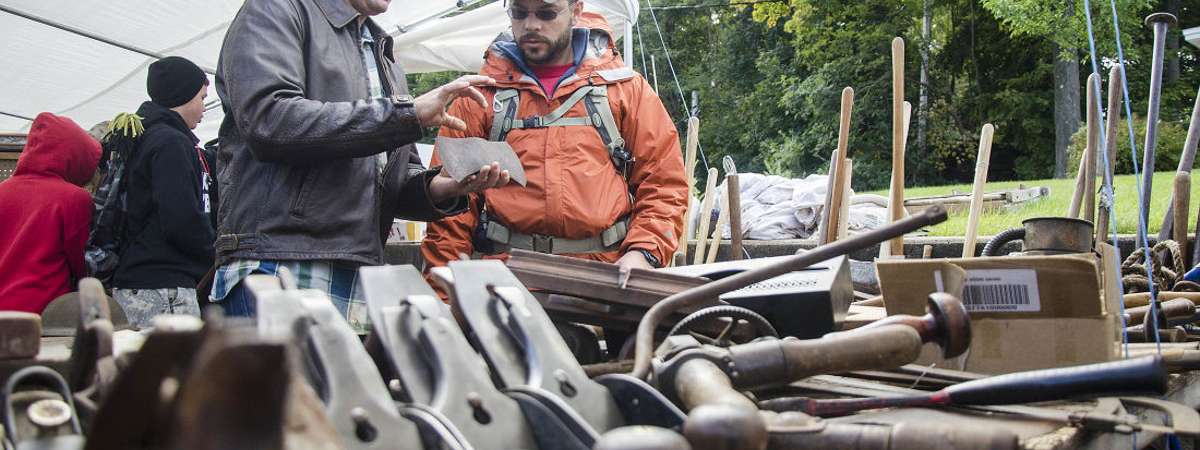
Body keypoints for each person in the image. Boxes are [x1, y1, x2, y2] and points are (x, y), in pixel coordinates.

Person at [211, 0, 509, 332]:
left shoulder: (381, 50)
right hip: (279, 263)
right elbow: (268, 120)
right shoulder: (277, 9)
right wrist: (407, 114)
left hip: (359, 271)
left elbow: (390, 175)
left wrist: (441, 187)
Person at [421, 1, 688, 274]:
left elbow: (663, 184)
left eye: (547, 13)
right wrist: (445, 292)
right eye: (519, 13)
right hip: (507, 279)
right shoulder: (480, 96)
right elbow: (449, 210)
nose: (531, 25)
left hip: (604, 279)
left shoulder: (624, 89)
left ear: (576, 11)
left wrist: (643, 253)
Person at [110, 56, 215, 328]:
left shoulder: (148, 137)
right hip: (161, 286)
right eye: (202, 98)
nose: (204, 108)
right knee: (170, 369)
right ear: (184, 96)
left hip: (143, 281)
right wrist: (214, 251)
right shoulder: (171, 144)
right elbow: (181, 218)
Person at [0, 113, 101, 313]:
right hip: (45, 313)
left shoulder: (2, 190)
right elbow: (83, 264)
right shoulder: (74, 199)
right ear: (75, 157)